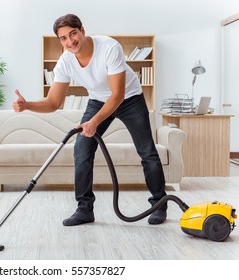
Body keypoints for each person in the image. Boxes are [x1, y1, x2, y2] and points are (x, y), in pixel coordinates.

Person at [12, 14, 167, 226]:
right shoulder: (65, 61)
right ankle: (84, 209)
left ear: (82, 31)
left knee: (147, 151)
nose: (70, 41)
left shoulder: (109, 47)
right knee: (82, 149)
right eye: (63, 38)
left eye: (73, 34)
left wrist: (94, 121)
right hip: (97, 100)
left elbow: (117, 96)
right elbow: (54, 102)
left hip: (129, 98)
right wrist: (27, 105)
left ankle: (159, 204)